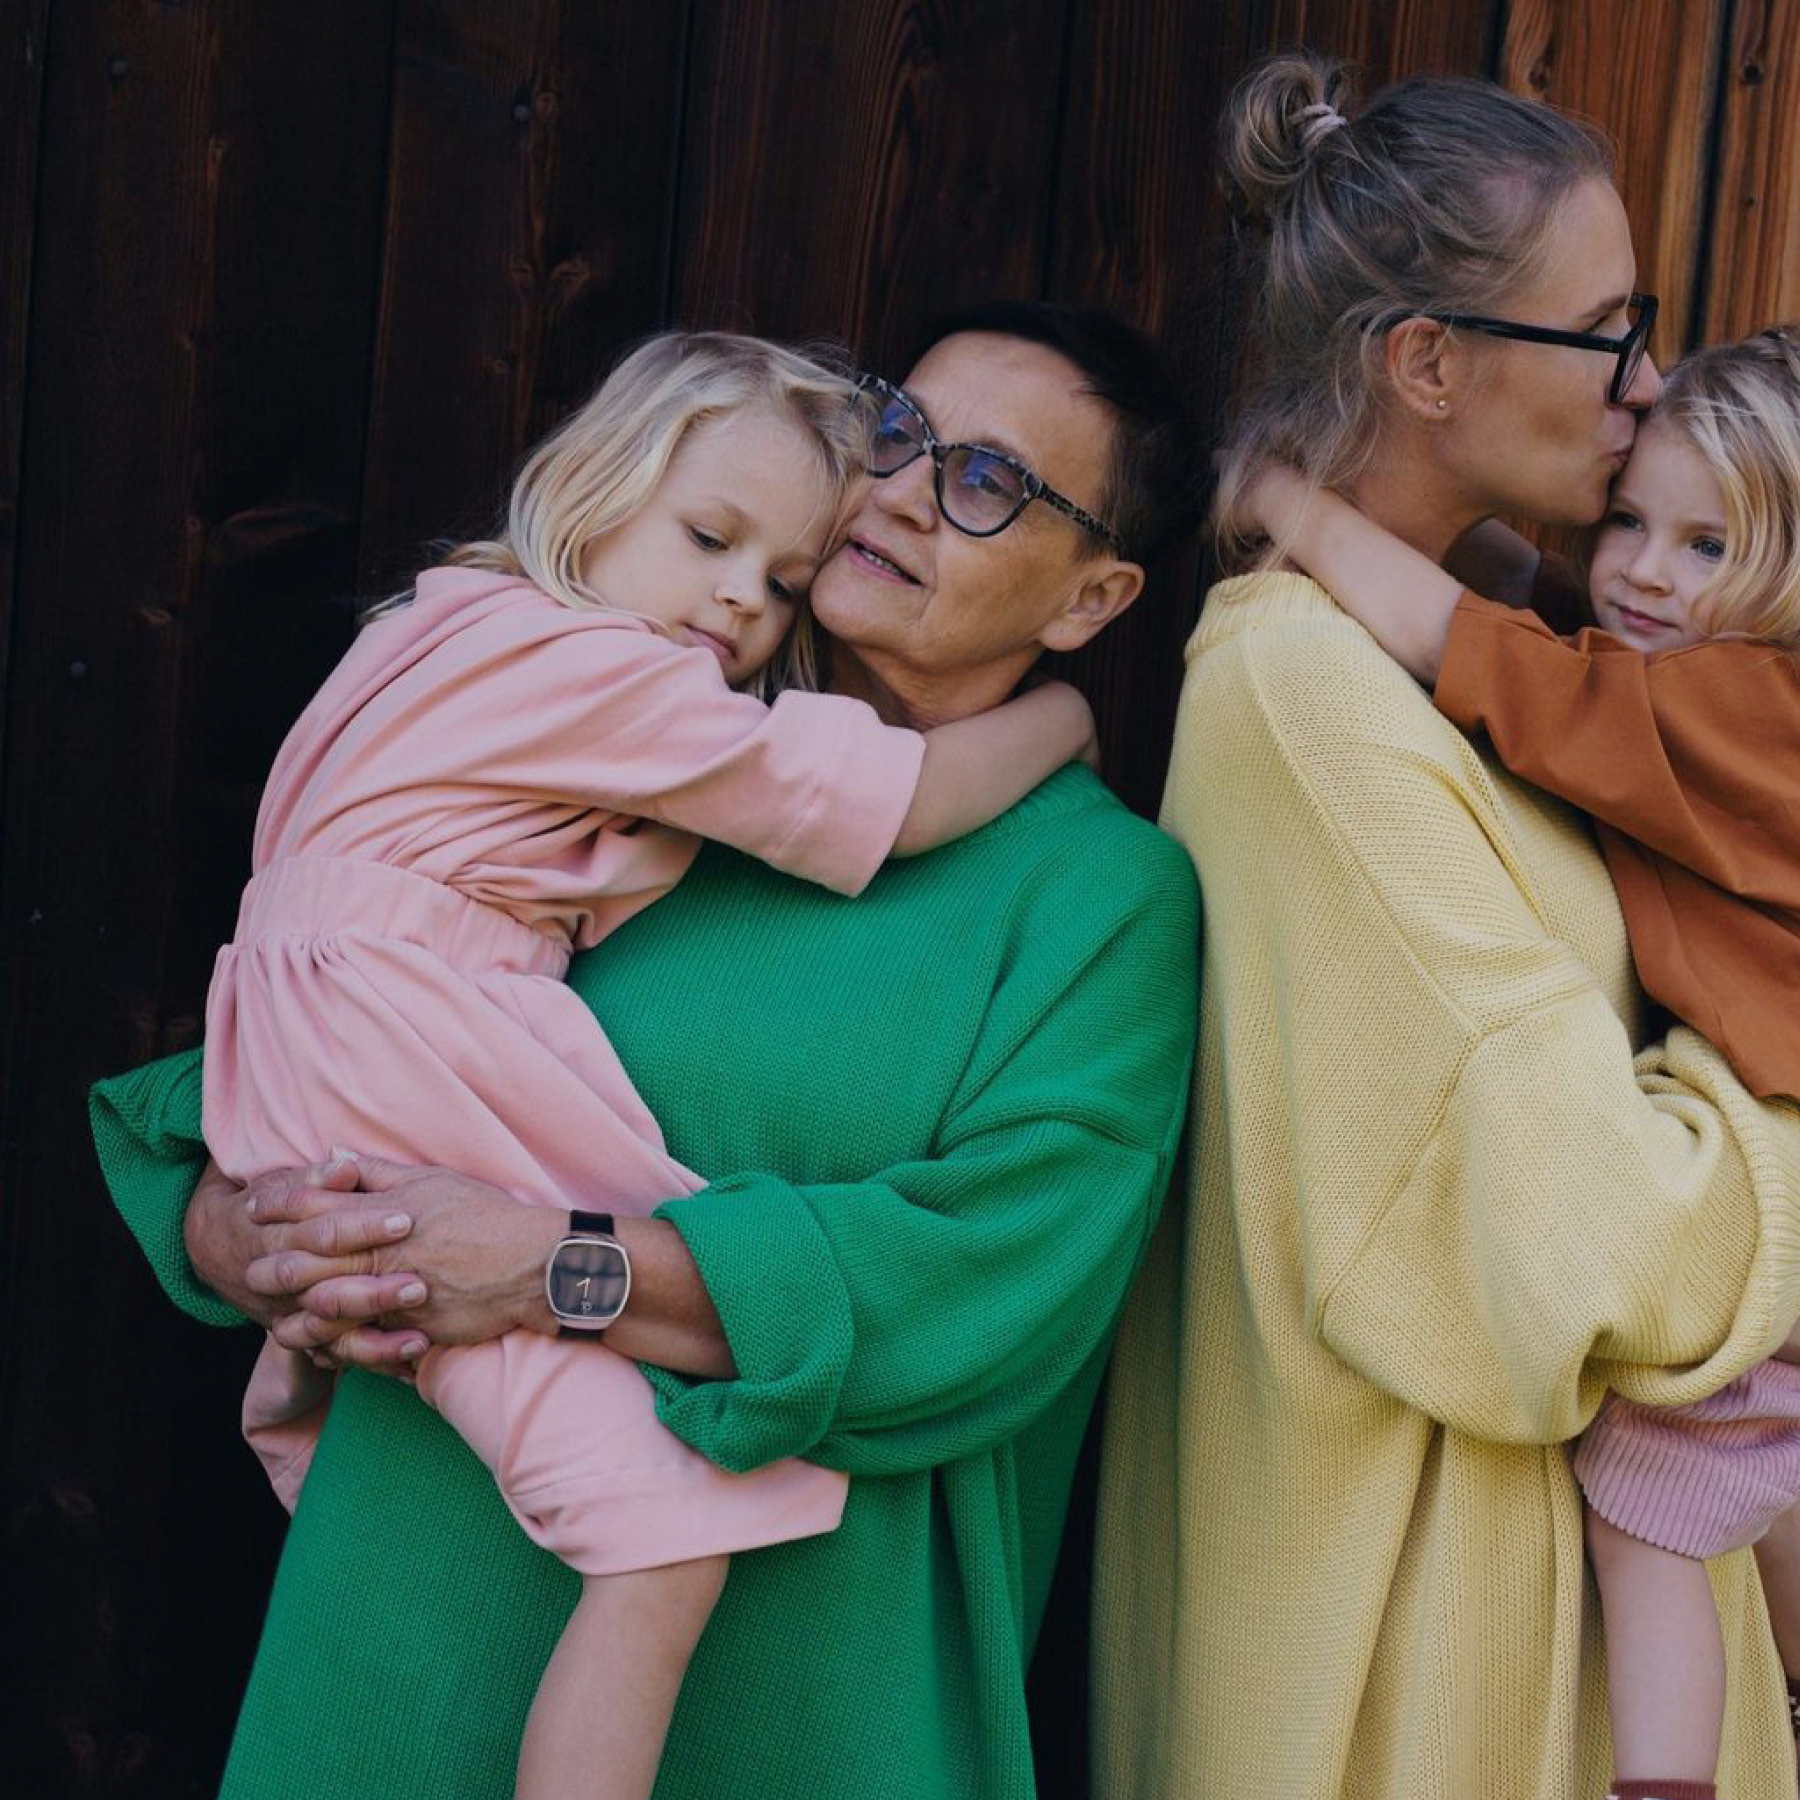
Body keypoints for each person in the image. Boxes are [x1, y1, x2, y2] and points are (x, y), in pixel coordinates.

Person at [90, 301, 1205, 1800]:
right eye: (896, 431)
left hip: (794, 1696)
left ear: (1090, 597)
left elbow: (988, 1287)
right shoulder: (630, 740)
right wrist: (235, 1225)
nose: (897, 489)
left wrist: (556, 1260)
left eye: (986, 480)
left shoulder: (1095, 898)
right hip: (404, 1641)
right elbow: (303, 1011)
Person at [1092, 54, 1800, 1800]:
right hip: (1435, 1674)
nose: (1647, 388)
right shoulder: (1307, 702)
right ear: (1427, 363)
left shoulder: (1512, 663)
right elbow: (1603, 1253)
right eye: (1610, 333)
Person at [1244, 326, 1800, 1798]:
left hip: (1774, 1173)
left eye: (1706, 543)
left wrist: (1298, 507)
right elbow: (1560, 638)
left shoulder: (1736, 710)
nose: (1642, 572)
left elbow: (1503, 669)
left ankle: (1668, 1783)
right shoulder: (1735, 700)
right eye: (1629, 520)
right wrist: (1495, 537)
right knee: (1766, 1476)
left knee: (1654, 1514)